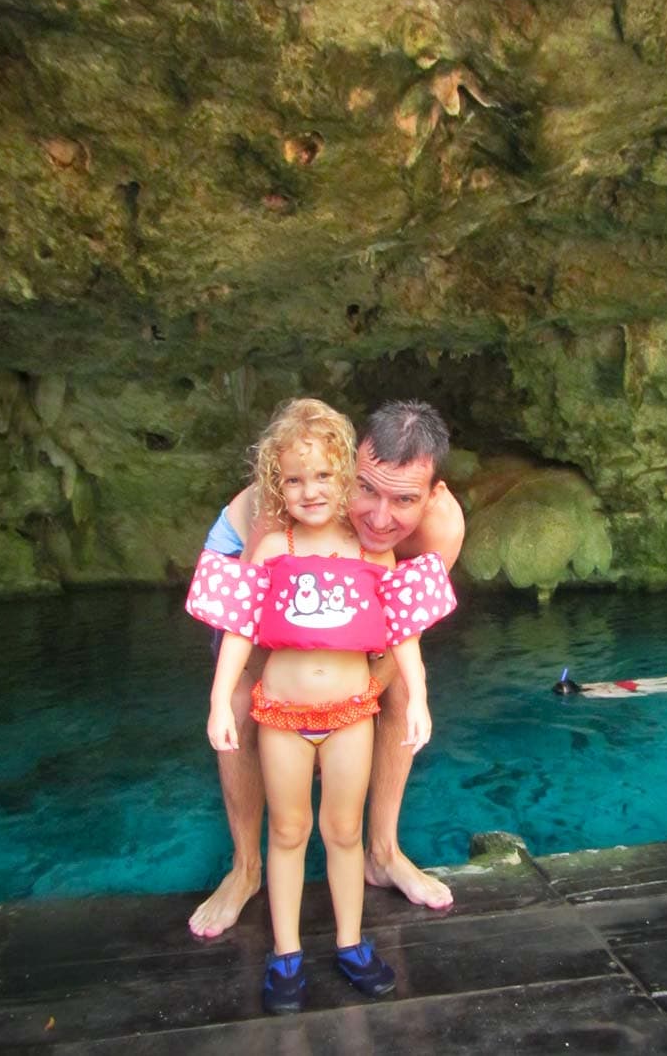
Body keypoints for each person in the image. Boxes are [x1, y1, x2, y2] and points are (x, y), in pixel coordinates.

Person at [186, 399, 456, 1013]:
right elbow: (240, 628)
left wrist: (414, 696)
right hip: (281, 711)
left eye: (322, 477)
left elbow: (401, 628)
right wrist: (219, 703)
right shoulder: (271, 537)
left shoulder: (385, 545)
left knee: (341, 829)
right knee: (288, 829)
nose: (310, 491)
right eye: (294, 480)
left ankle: (352, 940)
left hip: (349, 717)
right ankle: (281, 946)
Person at [553, 666, 667, 698]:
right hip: (627, 683)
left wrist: (639, 693)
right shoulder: (586, 684)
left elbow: (615, 696)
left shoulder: (589, 695)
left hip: (629, 689)